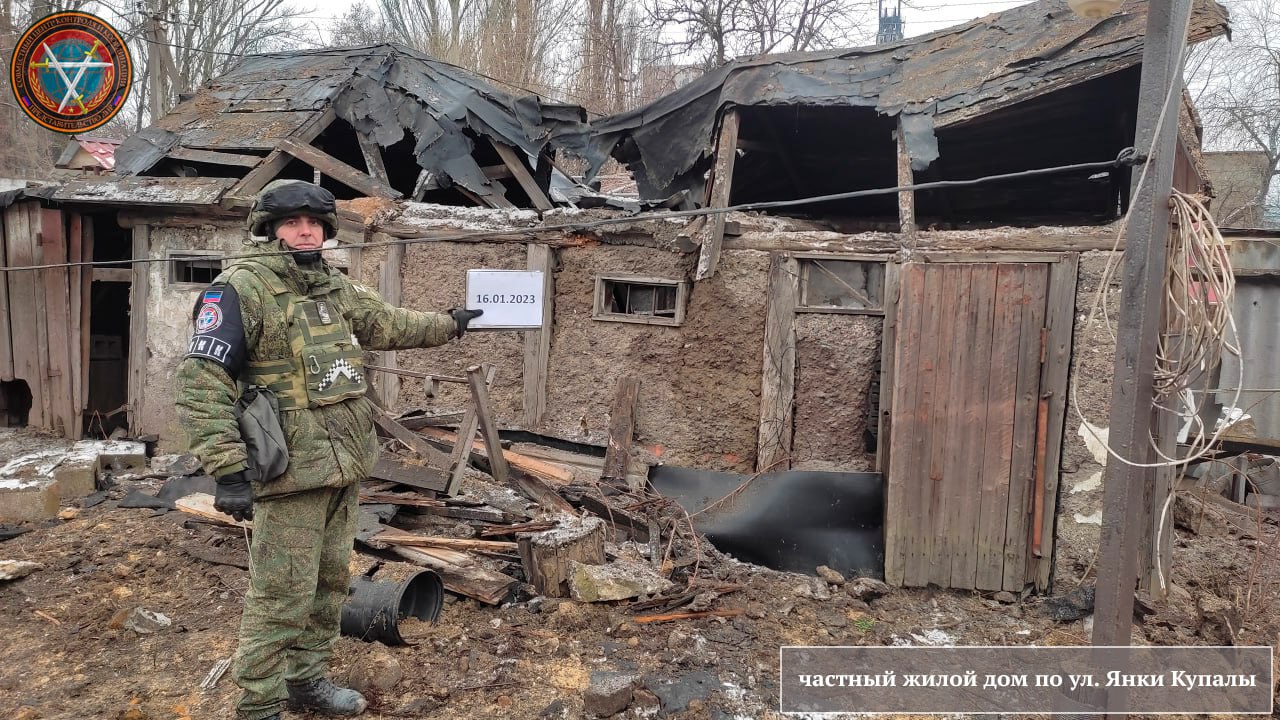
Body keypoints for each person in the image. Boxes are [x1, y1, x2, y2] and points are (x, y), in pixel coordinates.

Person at [174, 180, 482, 720]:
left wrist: (450, 324)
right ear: (269, 229)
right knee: (280, 596)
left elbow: (387, 323)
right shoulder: (238, 290)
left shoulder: (332, 287)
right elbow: (202, 382)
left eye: (313, 223)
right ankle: (260, 704)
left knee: (328, 584)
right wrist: (227, 469)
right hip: (287, 471)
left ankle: (306, 682)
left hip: (341, 465)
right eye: (293, 222)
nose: (305, 230)